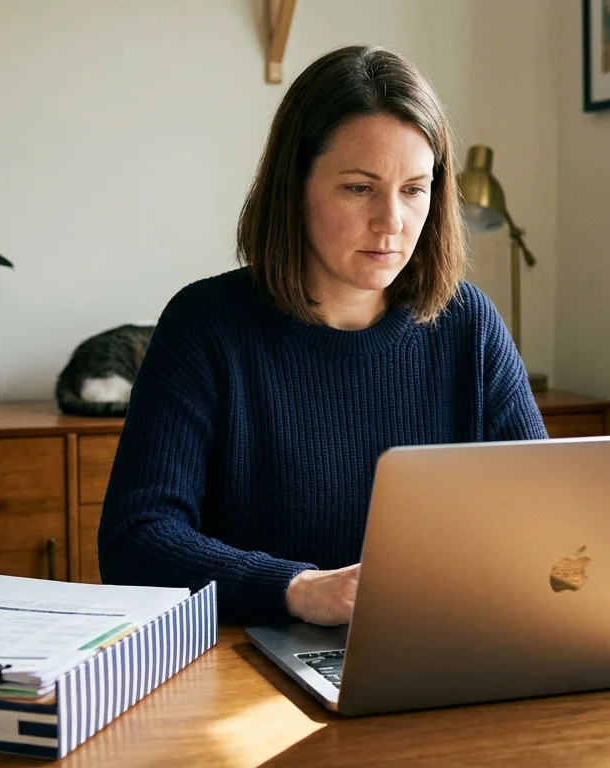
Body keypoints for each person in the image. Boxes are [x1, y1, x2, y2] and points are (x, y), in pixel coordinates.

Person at [98, 45, 547, 627]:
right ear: (296, 186)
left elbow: (544, 519)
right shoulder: (205, 325)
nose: (392, 221)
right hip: (249, 672)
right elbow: (136, 542)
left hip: (438, 645)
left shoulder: (469, 325)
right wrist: (297, 588)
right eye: (360, 188)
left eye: (415, 189)